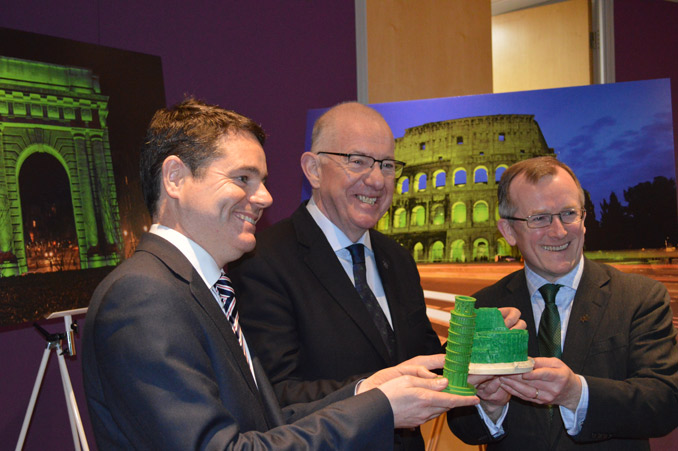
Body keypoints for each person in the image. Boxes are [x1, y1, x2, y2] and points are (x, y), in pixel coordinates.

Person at [81, 98, 481, 450]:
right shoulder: (143, 296)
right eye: (243, 179)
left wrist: (370, 390)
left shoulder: (197, 288)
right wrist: (380, 407)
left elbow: (267, 421)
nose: (265, 197)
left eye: (263, 181)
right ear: (175, 178)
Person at [229, 101, 523, 450]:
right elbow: (273, 393)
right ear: (314, 170)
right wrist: (379, 398)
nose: (376, 179)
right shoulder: (262, 260)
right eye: (357, 161)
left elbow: (422, 365)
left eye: (386, 165)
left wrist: (472, 355)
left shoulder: (397, 260)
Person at [448, 156, 678, 450]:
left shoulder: (640, 297)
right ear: (507, 231)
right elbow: (460, 422)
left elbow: (665, 402)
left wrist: (576, 394)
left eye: (569, 213)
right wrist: (491, 407)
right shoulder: (484, 307)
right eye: (539, 218)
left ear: (584, 218)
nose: (559, 231)